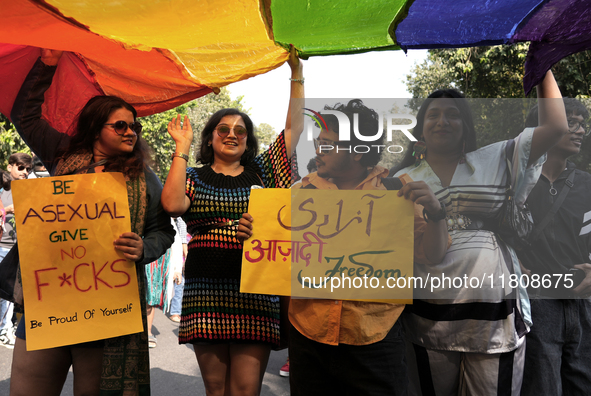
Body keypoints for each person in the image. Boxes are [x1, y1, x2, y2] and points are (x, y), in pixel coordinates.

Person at [238, 99, 450, 395]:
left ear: (358, 151)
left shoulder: (397, 193)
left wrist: (437, 214)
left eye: (329, 144)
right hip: (308, 338)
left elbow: (433, 255)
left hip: (374, 340)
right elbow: (277, 256)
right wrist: (252, 232)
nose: (318, 150)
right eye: (319, 142)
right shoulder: (299, 193)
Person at [9, 48, 175, 396]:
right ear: (95, 128)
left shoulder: (145, 178)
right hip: (48, 303)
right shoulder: (63, 154)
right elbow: (25, 117)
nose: (131, 132)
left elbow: (163, 232)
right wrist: (47, 64)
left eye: (134, 126)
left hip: (106, 310)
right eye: (120, 125)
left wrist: (145, 247)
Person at [390, 71, 568, 395]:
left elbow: (556, 128)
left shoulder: (496, 158)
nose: (442, 121)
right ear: (420, 128)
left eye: (453, 114)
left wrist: (542, 66)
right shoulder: (400, 179)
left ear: (466, 126)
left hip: (495, 323)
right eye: (433, 114)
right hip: (426, 322)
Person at [160, 46, 303, 396]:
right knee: (216, 389)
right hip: (205, 288)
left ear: (248, 140)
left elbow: (291, 130)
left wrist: (296, 75)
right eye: (223, 128)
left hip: (254, 291)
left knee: (244, 389)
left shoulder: (265, 171)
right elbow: (173, 204)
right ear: (210, 137)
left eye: (240, 130)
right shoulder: (192, 175)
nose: (232, 134)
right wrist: (181, 147)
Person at [518, 99, 591, 395]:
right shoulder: (517, 182)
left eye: (582, 124)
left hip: (584, 307)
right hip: (537, 303)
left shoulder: (587, 184)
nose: (580, 131)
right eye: (570, 123)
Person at [0, 153, 30, 349]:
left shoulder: (29, 189)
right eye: (21, 168)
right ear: (10, 166)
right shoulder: (3, 189)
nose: (25, 172)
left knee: (10, 294)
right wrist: (7, 210)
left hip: (17, 247)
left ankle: (4, 330)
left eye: (28, 169)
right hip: (1, 244)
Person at [168, 218, 188, 324]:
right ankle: (175, 312)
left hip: (185, 252)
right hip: (181, 254)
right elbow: (183, 241)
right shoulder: (180, 220)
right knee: (179, 283)